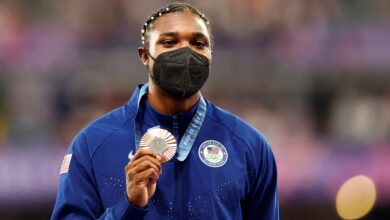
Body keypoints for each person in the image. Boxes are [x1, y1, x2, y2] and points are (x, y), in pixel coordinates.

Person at [51, 2, 279, 219]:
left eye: (199, 44)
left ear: (211, 56)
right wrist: (129, 207)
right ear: (144, 56)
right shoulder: (92, 144)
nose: (186, 53)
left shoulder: (249, 145)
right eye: (170, 43)